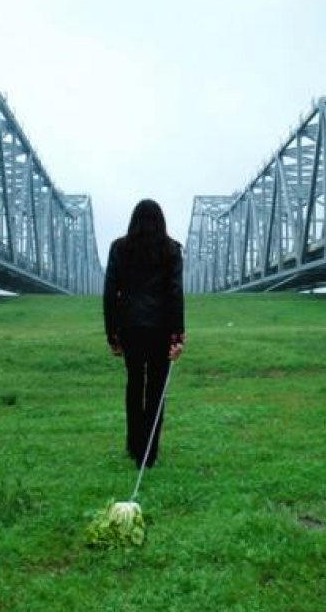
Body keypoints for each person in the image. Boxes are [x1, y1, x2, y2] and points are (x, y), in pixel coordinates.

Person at [103, 199, 185, 469]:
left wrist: (112, 334)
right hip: (161, 329)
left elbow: (110, 294)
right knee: (156, 390)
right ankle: (148, 454)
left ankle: (133, 444)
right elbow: (175, 294)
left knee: (134, 385)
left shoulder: (118, 248)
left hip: (129, 328)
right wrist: (178, 336)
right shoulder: (172, 250)